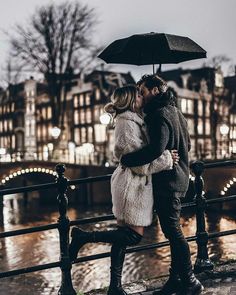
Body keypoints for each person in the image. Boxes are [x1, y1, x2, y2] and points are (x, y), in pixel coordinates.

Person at [69, 85, 179, 295]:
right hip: (131, 185)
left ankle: (115, 287)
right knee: (133, 236)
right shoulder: (127, 124)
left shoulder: (135, 121)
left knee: (122, 237)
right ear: (131, 100)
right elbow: (137, 164)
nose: (142, 97)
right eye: (138, 95)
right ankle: (83, 237)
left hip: (133, 183)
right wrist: (166, 160)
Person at [120, 75, 204, 295]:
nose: (141, 95)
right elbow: (187, 143)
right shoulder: (176, 112)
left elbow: (155, 149)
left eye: (143, 91)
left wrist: (127, 160)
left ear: (156, 90)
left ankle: (190, 281)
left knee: (174, 232)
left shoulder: (158, 115)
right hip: (179, 178)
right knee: (172, 231)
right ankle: (176, 280)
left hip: (168, 181)